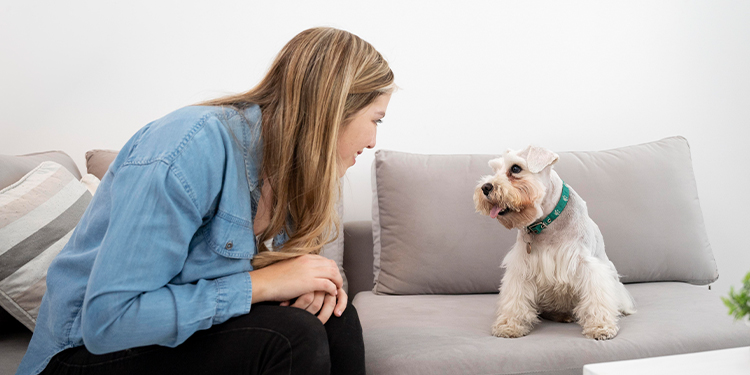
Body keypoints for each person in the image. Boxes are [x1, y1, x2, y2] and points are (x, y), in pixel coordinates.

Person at [17, 27, 395, 375]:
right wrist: (262, 284)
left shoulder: (294, 172)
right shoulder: (188, 147)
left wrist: (302, 284)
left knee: (335, 318)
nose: (374, 141)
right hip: (77, 356)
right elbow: (109, 322)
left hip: (161, 344)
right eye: (376, 119)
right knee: (291, 335)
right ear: (335, 109)